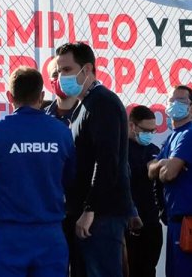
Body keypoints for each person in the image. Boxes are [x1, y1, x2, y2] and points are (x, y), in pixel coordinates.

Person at [0, 66, 76, 277]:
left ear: (10, 96)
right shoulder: (62, 132)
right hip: (50, 233)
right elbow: (70, 179)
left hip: (6, 234)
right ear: (42, 96)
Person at [55, 42, 136, 277]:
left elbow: (107, 160)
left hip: (101, 216)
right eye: (59, 71)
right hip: (85, 213)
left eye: (67, 70)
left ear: (87, 69)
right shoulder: (84, 104)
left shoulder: (103, 103)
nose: (62, 77)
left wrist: (91, 209)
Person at [148, 85, 192, 277]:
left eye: (181, 101)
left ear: (191, 107)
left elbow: (169, 174)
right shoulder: (174, 135)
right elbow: (151, 169)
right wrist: (164, 164)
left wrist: (164, 166)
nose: (175, 105)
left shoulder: (191, 133)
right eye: (172, 101)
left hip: (189, 219)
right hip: (175, 218)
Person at [126, 105, 162, 277]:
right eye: (145, 130)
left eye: (152, 130)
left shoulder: (154, 150)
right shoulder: (119, 150)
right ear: (132, 125)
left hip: (151, 221)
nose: (149, 134)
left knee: (148, 270)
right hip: (127, 222)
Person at [45, 56, 77, 125]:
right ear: (50, 82)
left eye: (66, 71)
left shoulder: (88, 113)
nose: (60, 77)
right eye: (55, 74)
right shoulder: (42, 118)